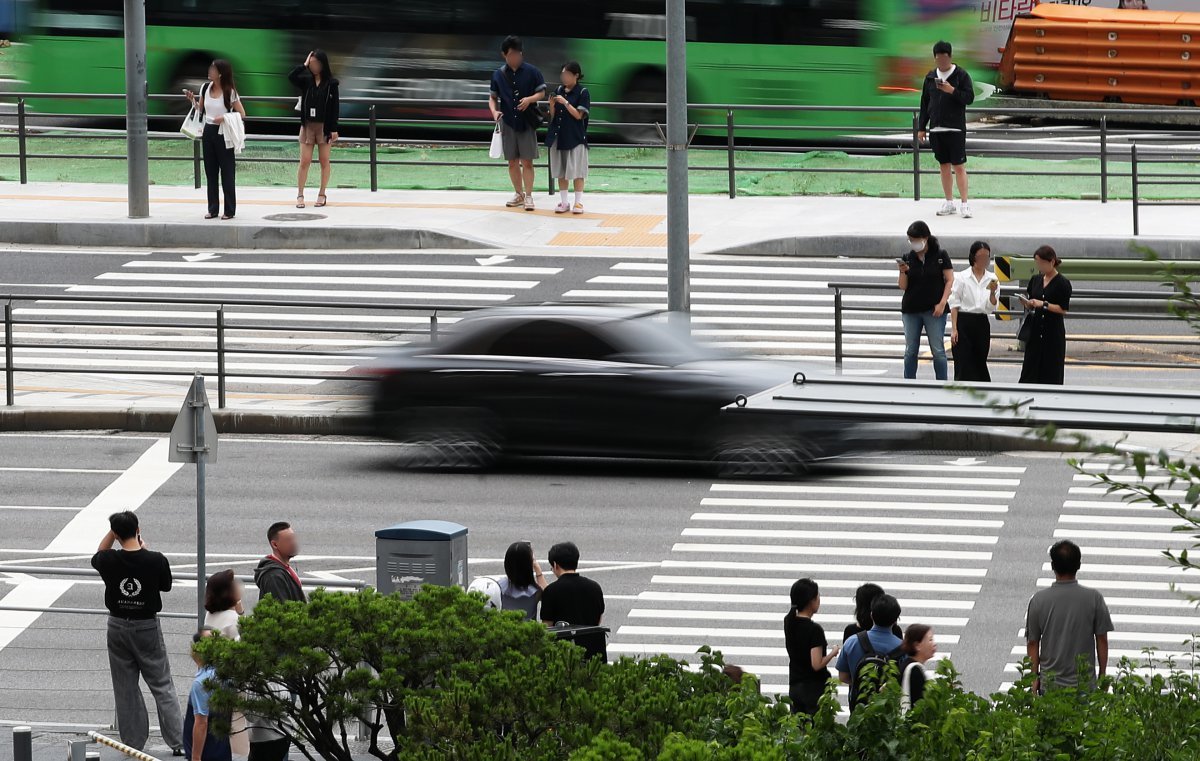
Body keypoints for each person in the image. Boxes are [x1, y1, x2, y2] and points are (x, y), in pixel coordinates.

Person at [91, 511, 184, 754]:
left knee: (125, 687)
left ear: (116, 534)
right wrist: (144, 547)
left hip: (118, 625)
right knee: (162, 683)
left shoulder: (109, 560)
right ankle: (178, 742)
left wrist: (112, 532)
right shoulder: (155, 559)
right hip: (146, 626)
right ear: (138, 529)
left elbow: (99, 553)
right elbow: (166, 585)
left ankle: (133, 744)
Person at [1026, 540, 1114, 691]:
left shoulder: (1038, 600)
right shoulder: (1094, 598)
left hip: (1051, 685)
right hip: (1084, 684)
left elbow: (1033, 643)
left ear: (1053, 566)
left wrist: (1034, 679)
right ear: (1078, 565)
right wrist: (1103, 675)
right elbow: (1102, 640)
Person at [918, 41, 975, 219]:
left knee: (959, 166)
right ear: (934, 58)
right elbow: (925, 103)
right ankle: (949, 202)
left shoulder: (961, 75)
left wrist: (952, 91)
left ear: (950, 57)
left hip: (955, 128)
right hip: (936, 129)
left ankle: (964, 203)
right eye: (938, 58)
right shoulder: (929, 77)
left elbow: (969, 98)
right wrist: (922, 127)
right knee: (943, 165)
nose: (941, 61)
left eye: (944, 57)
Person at [489, 35, 546, 211]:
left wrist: (529, 99)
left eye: (518, 54)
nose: (516, 57)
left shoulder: (532, 71)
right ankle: (518, 194)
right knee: (512, 161)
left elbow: (542, 93)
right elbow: (492, 98)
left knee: (527, 161)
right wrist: (494, 111)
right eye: (512, 54)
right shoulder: (498, 75)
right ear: (504, 55)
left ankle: (529, 196)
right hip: (508, 122)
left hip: (526, 122)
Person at [185, 59, 246, 220]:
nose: (210, 71)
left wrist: (225, 117)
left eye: (213, 69)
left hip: (223, 132)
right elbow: (201, 110)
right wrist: (192, 101)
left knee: (227, 172)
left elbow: (242, 113)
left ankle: (229, 210)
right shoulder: (205, 88)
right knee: (210, 172)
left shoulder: (229, 91)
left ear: (220, 73)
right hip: (208, 131)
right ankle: (212, 209)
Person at [897, 221, 954, 381]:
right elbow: (903, 286)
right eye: (910, 240)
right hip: (911, 309)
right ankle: (909, 382)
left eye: (915, 240)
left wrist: (942, 303)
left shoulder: (940, 255)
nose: (913, 244)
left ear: (925, 238)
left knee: (938, 350)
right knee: (910, 350)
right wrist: (903, 272)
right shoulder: (908, 257)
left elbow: (949, 280)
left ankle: (941, 384)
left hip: (934, 310)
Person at [289, 49, 340, 209]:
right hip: (307, 125)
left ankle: (322, 193)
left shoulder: (332, 84)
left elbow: (335, 107)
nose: (314, 67)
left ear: (323, 64)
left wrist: (333, 128)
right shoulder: (306, 81)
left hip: (324, 126)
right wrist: (303, 65)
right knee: (304, 161)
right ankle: (300, 195)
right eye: (311, 64)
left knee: (324, 160)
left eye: (316, 64)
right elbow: (291, 77)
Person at [836, 594, 904, 710]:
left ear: (871, 615)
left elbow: (843, 677)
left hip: (859, 706)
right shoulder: (903, 648)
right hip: (889, 710)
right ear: (895, 620)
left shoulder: (852, 642)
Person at [540, 541, 606, 661]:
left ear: (555, 565)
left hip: (563, 657)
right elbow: (598, 620)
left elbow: (547, 628)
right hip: (592, 655)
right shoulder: (595, 587)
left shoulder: (551, 591)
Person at [1019, 245, 1073, 385]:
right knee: (1030, 371)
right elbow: (1032, 299)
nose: (1039, 266)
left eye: (1042, 263)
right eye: (1037, 263)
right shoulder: (1036, 279)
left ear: (1052, 262)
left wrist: (1044, 304)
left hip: (1052, 333)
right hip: (1035, 331)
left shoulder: (1062, 283)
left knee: (1051, 372)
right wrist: (1028, 303)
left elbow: (1063, 309)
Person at [785, 578, 840, 716]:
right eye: (817, 596)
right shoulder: (814, 630)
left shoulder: (789, 622)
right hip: (813, 689)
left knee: (798, 729)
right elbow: (816, 664)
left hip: (795, 684)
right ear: (811, 601)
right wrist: (833, 653)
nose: (819, 599)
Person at [949, 241, 999, 382]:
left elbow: (991, 307)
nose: (984, 261)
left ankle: (980, 392)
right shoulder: (962, 277)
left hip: (981, 321)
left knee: (979, 360)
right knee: (963, 360)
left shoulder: (992, 278)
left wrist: (992, 294)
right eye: (980, 257)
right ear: (973, 257)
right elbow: (954, 302)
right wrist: (954, 328)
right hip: (963, 321)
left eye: (986, 257)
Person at [547, 61, 590, 215]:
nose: (564, 78)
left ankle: (578, 203)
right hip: (559, 136)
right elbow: (553, 117)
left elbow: (579, 116)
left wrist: (565, 102)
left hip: (576, 137)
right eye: (562, 74)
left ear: (576, 75)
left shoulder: (583, 92)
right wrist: (552, 106)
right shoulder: (559, 90)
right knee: (561, 170)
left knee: (577, 171)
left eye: (567, 74)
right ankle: (564, 202)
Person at [183, 629, 232, 761]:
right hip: (222, 750)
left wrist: (196, 757)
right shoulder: (227, 673)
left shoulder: (201, 683)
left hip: (206, 753)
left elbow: (201, 724)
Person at [254, 522, 306, 603]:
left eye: (293, 538)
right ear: (275, 544)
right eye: (288, 539)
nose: (294, 542)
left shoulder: (283, 568)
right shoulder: (274, 576)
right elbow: (282, 610)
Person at [499, 541, 548, 620]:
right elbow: (549, 596)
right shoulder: (536, 591)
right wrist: (538, 570)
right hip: (528, 631)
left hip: (505, 630)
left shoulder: (499, 588)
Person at [899, 623, 937, 711]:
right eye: (930, 640)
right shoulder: (914, 671)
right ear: (917, 646)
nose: (934, 644)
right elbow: (918, 705)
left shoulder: (907, 664)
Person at [203, 570, 243, 640]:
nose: (238, 585)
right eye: (235, 583)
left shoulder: (210, 614)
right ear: (228, 592)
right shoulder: (234, 620)